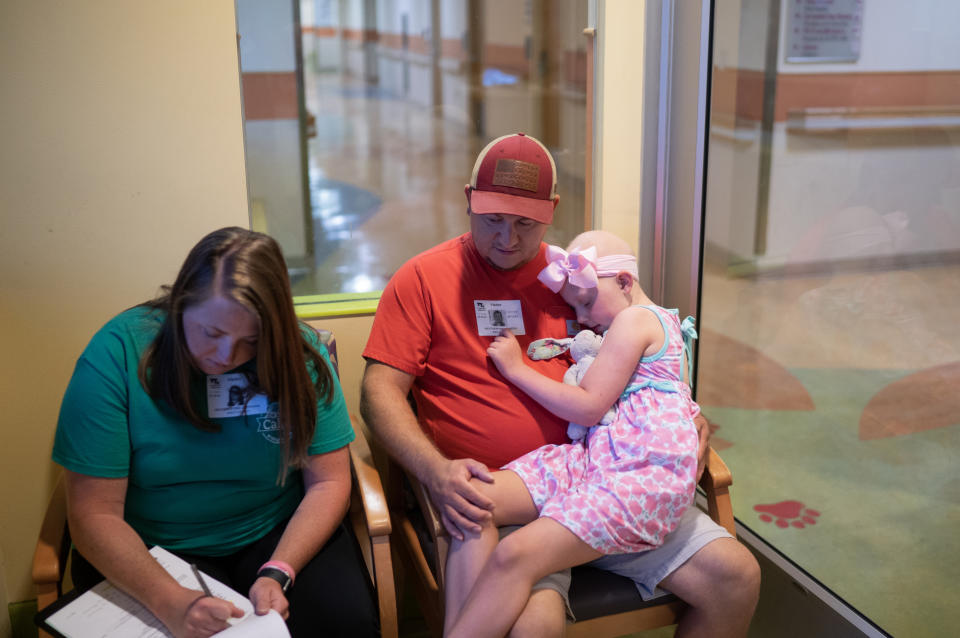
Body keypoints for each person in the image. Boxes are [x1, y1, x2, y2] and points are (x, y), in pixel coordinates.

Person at [360, 132, 760, 637]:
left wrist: (688, 416)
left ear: (551, 211)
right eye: (492, 220)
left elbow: (644, 363)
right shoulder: (422, 278)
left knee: (737, 576)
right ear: (468, 201)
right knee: (534, 625)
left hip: (610, 475)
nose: (507, 238)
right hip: (513, 494)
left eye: (525, 223)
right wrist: (435, 471)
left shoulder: (576, 278)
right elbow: (379, 394)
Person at [52, 227, 379, 638]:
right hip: (155, 546)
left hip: (276, 531)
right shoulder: (117, 353)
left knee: (346, 624)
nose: (227, 356)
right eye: (212, 333)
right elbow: (93, 515)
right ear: (181, 303)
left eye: (251, 341)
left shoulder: (297, 353)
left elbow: (329, 482)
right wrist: (169, 599)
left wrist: (279, 572)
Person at [444, 230, 701, 637]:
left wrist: (516, 369)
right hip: (600, 460)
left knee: (514, 553)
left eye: (584, 301)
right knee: (472, 502)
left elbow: (588, 404)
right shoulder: (654, 324)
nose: (581, 318)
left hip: (636, 479)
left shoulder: (636, 320)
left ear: (624, 283)